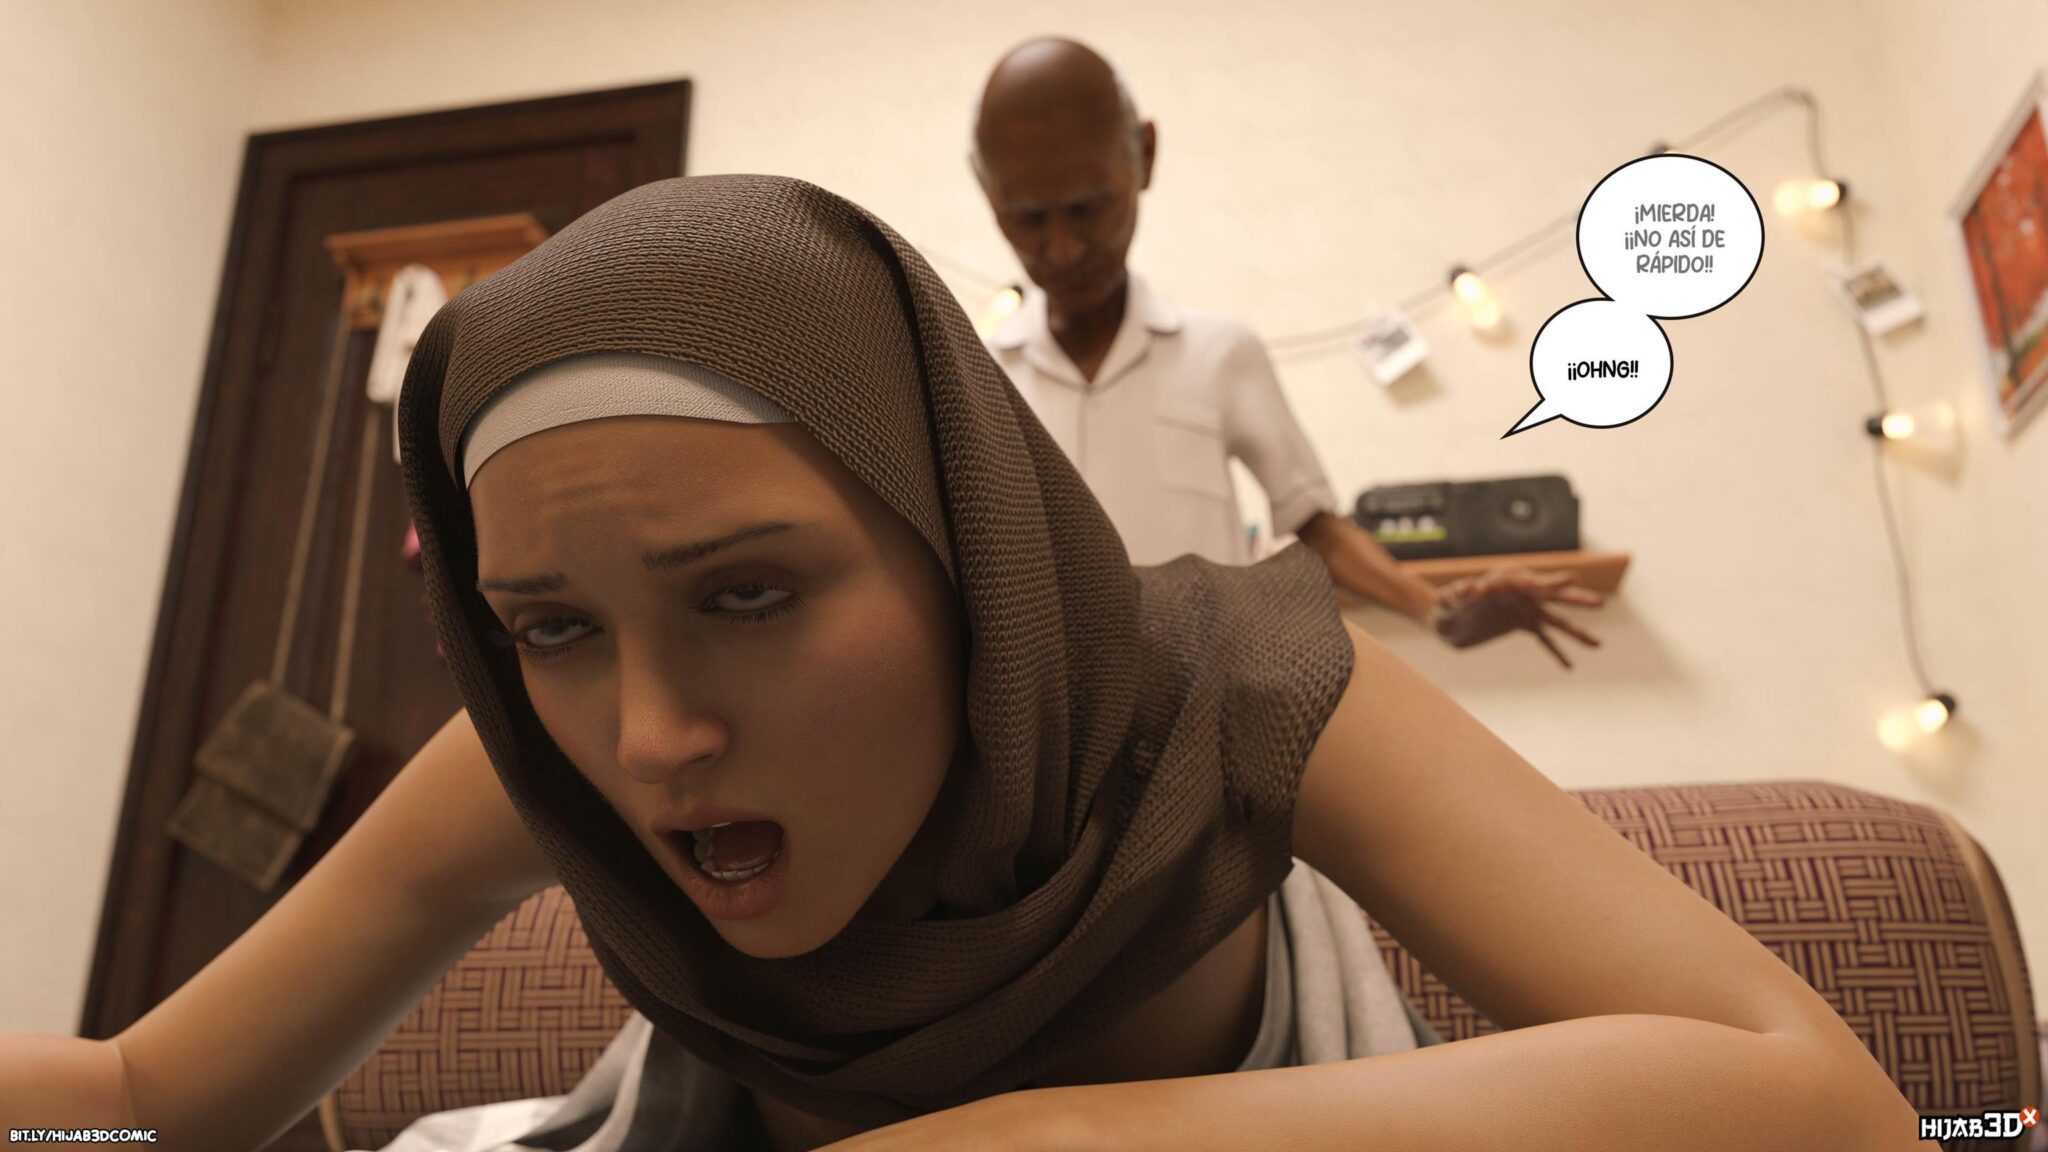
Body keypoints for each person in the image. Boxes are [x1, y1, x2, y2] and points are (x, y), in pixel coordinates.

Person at [1, 175, 1932, 1152]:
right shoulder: (540, 747)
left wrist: (1057, 1138)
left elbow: (1820, 1105)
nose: (648, 735)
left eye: (748, 594)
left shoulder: (1241, 685)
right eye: (553, 630)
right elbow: (144, 1096)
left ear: (964, 552)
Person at [971, 38, 1605, 668]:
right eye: (1027, 220)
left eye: (1088, 209)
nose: (1063, 249)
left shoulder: (1219, 354)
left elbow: (1317, 526)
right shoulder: (978, 381)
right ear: (984, 187)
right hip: (1049, 715)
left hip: (1212, 702)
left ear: (1146, 155)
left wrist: (1438, 611)